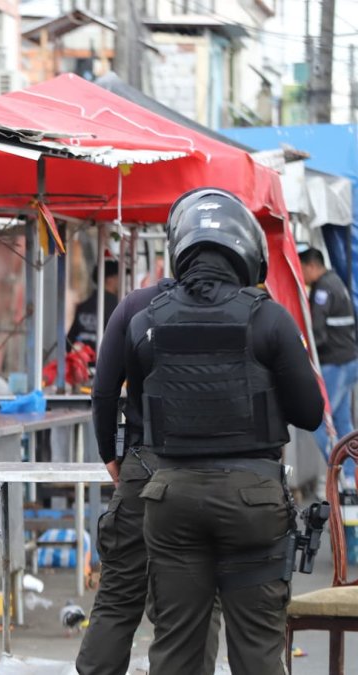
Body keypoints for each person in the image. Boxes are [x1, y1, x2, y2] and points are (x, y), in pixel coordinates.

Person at [127, 189, 323, 674]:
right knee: (257, 650)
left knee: (175, 650)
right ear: (247, 254)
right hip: (252, 501)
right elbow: (311, 412)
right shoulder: (270, 319)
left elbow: (138, 420)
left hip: (172, 499)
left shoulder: (144, 322)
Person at [76, 190, 222, 675]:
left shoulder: (135, 305)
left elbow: (102, 394)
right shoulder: (245, 309)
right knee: (198, 602)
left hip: (143, 467)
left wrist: (112, 457)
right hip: (214, 474)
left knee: (118, 595)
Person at [298, 246, 358, 477]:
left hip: (335, 364)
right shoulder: (337, 282)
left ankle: (337, 473)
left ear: (311, 266)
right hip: (349, 361)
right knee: (343, 424)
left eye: (302, 269)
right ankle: (351, 479)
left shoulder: (322, 289)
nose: (302, 276)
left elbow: (318, 334)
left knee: (321, 422)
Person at [67, 259, 120, 353]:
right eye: (118, 277)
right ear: (109, 279)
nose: (121, 281)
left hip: (81, 362)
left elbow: (69, 342)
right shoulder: (117, 305)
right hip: (104, 363)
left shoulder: (84, 305)